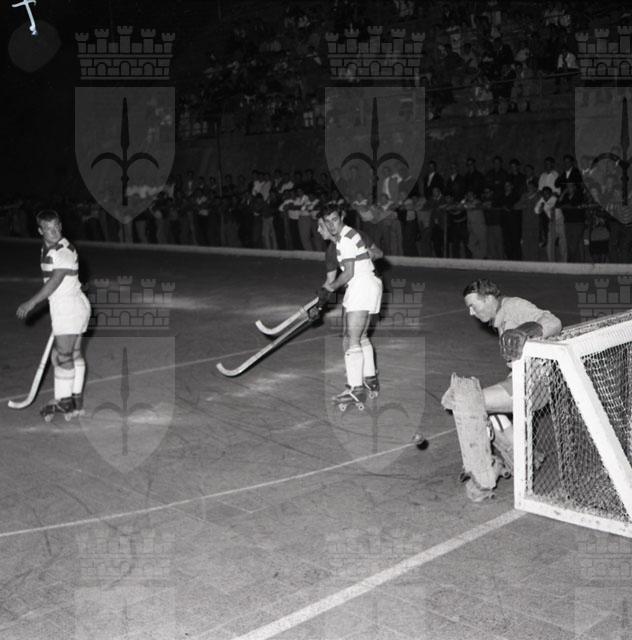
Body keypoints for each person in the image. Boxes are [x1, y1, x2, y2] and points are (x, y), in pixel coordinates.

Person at [444, 279, 562, 501]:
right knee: (478, 403)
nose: (471, 313)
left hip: (534, 383)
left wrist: (526, 330)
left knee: (469, 402)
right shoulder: (500, 317)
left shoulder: (513, 306)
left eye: (473, 306)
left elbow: (553, 322)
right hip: (521, 380)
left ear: (489, 299)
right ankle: (523, 456)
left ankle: (483, 476)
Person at [16, 210, 91, 420]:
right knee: (72, 354)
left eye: (57, 226)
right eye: (48, 228)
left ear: (61, 225)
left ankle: (64, 403)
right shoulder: (48, 247)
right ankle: (75, 402)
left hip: (69, 308)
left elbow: (55, 281)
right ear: (40, 231)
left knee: (62, 357)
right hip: (71, 306)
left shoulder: (62, 251)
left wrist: (31, 302)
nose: (54, 231)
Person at [317, 208, 383, 408]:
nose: (331, 225)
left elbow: (348, 274)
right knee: (360, 337)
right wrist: (322, 297)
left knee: (352, 339)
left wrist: (329, 289)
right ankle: (370, 379)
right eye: (327, 221)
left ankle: (356, 389)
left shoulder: (345, 239)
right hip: (369, 285)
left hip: (360, 285)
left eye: (334, 220)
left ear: (341, 218)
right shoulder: (346, 237)